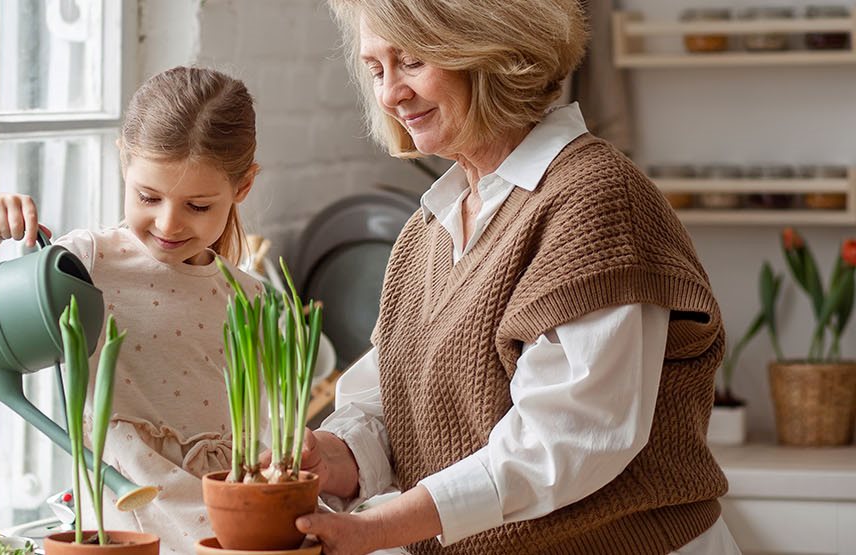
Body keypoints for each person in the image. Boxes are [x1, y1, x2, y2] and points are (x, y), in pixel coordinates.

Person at [288, 1, 742, 554]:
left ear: (488, 49)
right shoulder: (428, 227)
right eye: (377, 69)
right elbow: (396, 401)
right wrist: (333, 456)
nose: (389, 95)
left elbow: (566, 440)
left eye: (409, 62)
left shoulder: (593, 201)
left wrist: (380, 527)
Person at [0, 66, 265, 553]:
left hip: (226, 524)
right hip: (122, 522)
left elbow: (269, 433)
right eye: (149, 196)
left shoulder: (251, 298)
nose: (168, 223)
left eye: (199, 206)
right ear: (124, 161)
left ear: (243, 187)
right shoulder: (86, 264)